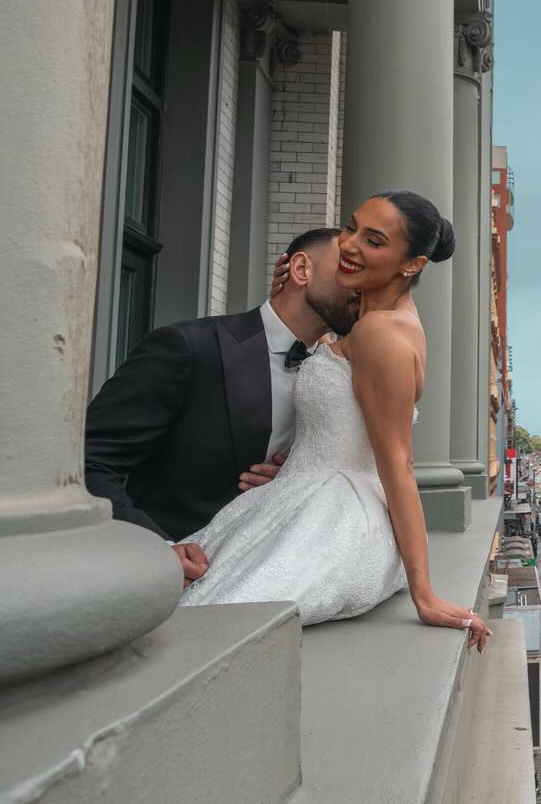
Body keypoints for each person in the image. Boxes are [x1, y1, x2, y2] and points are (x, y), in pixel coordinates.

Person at [177, 191, 490, 650]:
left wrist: (425, 595)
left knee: (210, 618)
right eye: (351, 227)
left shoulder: (381, 333)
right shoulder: (374, 318)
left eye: (374, 241)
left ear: (412, 264)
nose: (349, 245)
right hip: (301, 495)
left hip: (335, 520)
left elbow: (398, 464)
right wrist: (288, 299)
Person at [85, 227, 358, 585]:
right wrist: (157, 548)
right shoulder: (188, 347)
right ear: (301, 269)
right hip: (169, 578)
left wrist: (291, 479)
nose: (363, 284)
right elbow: (89, 462)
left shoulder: (334, 373)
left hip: (269, 574)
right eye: (349, 268)